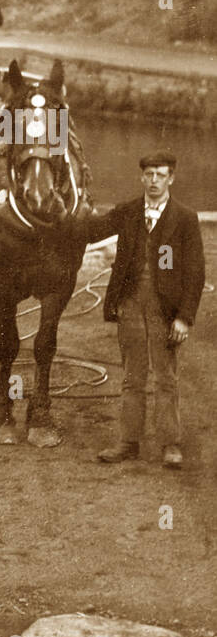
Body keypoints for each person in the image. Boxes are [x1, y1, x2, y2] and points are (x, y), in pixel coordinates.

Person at [81, 152, 205, 468]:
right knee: (132, 377)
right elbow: (91, 231)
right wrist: (69, 208)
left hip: (165, 311)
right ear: (142, 177)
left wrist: (184, 317)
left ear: (171, 178)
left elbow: (195, 273)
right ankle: (128, 441)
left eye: (160, 175)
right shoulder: (128, 212)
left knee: (166, 377)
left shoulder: (185, 218)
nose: (153, 181)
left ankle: (170, 444)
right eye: (148, 174)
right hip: (130, 306)